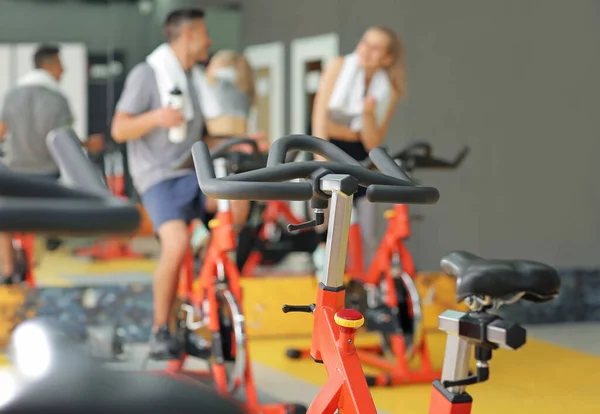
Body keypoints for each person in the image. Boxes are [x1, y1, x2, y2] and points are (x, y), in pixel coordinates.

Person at [111, 8, 250, 360]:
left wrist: (242, 141)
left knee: (239, 204)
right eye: (205, 34)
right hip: (158, 176)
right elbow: (119, 129)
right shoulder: (147, 73)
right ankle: (160, 330)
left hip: (192, 173)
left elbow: (199, 134)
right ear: (187, 35)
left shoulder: (192, 78)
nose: (210, 41)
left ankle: (207, 263)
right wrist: (157, 117)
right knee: (174, 246)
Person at [0, 44, 103, 285]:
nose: (63, 70)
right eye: (60, 65)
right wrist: (90, 144)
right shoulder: (57, 99)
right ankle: (42, 266)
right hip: (47, 179)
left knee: (3, 220)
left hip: (15, 178)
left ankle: (7, 271)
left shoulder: (12, 96)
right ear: (48, 65)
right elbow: (65, 141)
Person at [311, 26, 406, 277]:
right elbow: (320, 116)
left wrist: (366, 114)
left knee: (367, 226)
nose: (365, 50)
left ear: (387, 58)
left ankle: (365, 279)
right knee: (331, 216)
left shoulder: (389, 90)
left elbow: (373, 142)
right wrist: (319, 159)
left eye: (375, 48)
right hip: (327, 144)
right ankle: (326, 268)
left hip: (360, 151)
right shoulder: (339, 66)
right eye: (365, 43)